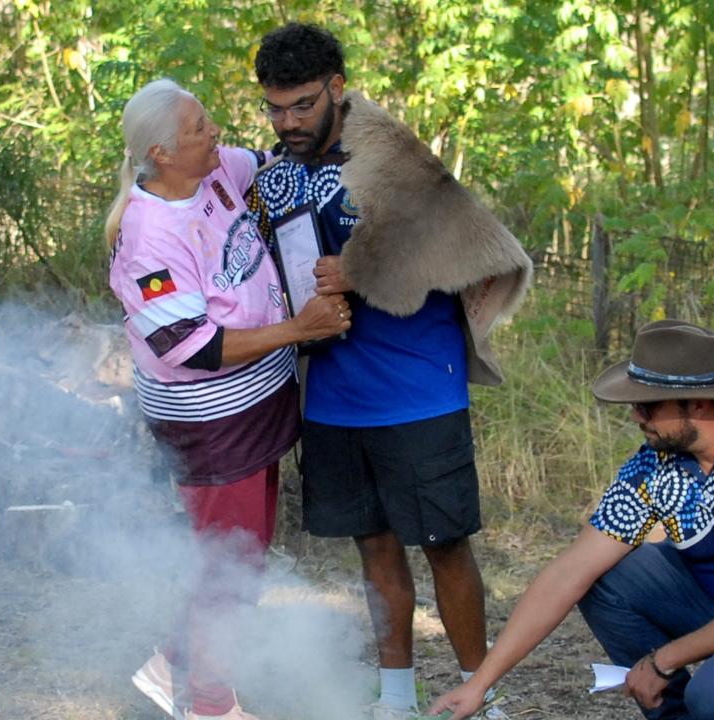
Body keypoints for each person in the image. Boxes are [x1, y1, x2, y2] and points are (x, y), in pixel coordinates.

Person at [250, 23, 532, 720]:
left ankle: (481, 695)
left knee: (444, 547)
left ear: (337, 88)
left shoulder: (393, 155)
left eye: (302, 105)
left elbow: (463, 243)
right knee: (372, 549)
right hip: (333, 397)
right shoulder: (276, 172)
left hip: (415, 389)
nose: (288, 122)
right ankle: (397, 696)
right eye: (275, 108)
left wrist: (357, 270)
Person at [429, 320, 714, 720]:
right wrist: (483, 681)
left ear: (698, 403)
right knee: (610, 577)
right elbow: (569, 572)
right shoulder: (658, 461)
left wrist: (662, 660)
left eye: (647, 405)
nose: (635, 416)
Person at [104, 78, 350, 720]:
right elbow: (195, 346)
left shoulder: (217, 170)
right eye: (197, 129)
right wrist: (301, 329)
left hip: (255, 407)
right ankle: (210, 705)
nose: (216, 133)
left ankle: (170, 665)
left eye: (209, 121)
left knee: (241, 554)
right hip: (211, 425)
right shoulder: (148, 238)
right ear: (160, 153)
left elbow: (274, 164)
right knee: (231, 566)